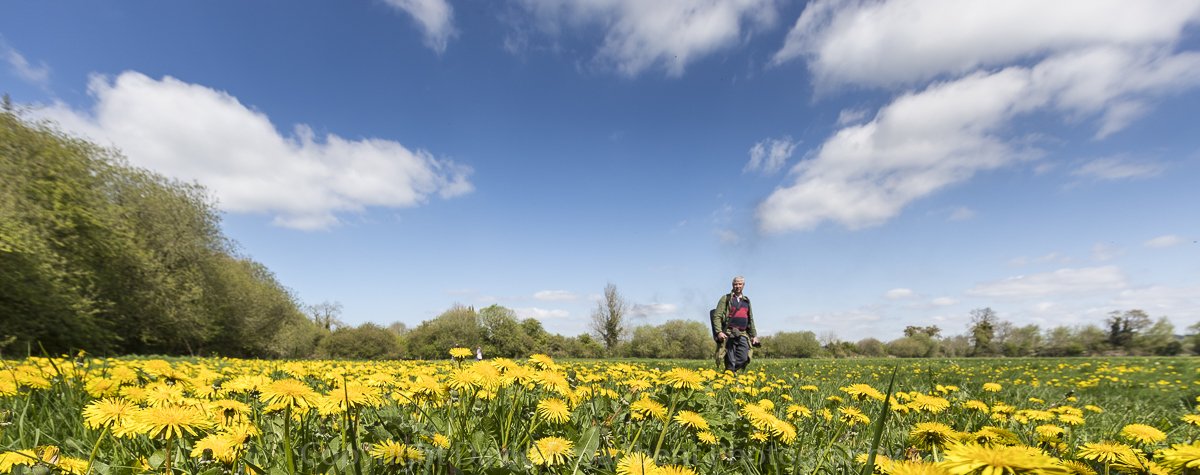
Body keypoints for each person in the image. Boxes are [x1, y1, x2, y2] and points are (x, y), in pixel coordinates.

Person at [711, 276, 759, 372]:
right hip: (729, 333)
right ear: (732, 285)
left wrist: (754, 335)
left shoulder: (746, 301)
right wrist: (719, 332)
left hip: (743, 333)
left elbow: (750, 319)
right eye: (735, 284)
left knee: (744, 358)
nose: (737, 286)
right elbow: (716, 316)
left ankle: (728, 372)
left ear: (743, 285)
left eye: (740, 284)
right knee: (730, 359)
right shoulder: (726, 298)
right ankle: (729, 375)